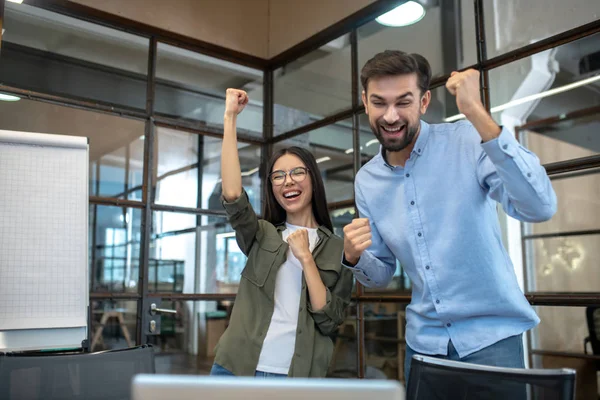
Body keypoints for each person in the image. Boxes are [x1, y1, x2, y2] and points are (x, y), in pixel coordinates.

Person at [342, 50, 557, 385]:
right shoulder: (366, 181)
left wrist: (475, 112)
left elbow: (538, 207)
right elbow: (381, 273)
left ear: (424, 101)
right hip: (423, 346)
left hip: (492, 341)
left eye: (404, 102)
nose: (391, 115)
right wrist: (353, 257)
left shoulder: (468, 140)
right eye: (379, 103)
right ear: (365, 103)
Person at [210, 88, 354, 378]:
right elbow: (233, 194)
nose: (288, 181)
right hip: (237, 367)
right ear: (272, 188)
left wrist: (306, 259)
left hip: (295, 377)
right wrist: (230, 118)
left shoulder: (339, 249)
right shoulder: (262, 234)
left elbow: (330, 321)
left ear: (313, 178)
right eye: (278, 176)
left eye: (297, 172)